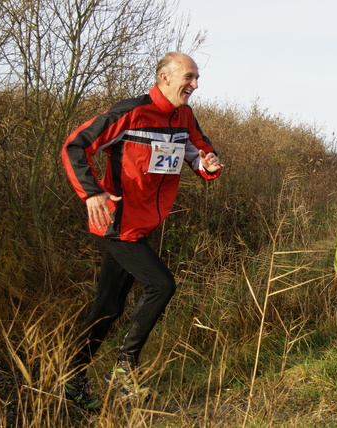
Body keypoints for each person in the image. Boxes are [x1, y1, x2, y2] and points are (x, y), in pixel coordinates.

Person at [61, 52, 223, 410]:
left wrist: (209, 164)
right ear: (165, 77)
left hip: (142, 225)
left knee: (108, 307)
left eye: (197, 78)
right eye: (190, 77)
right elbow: (75, 145)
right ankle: (123, 370)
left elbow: (199, 153)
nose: (195, 85)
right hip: (116, 223)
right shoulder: (130, 112)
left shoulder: (183, 117)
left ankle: (71, 378)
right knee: (162, 284)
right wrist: (91, 192)